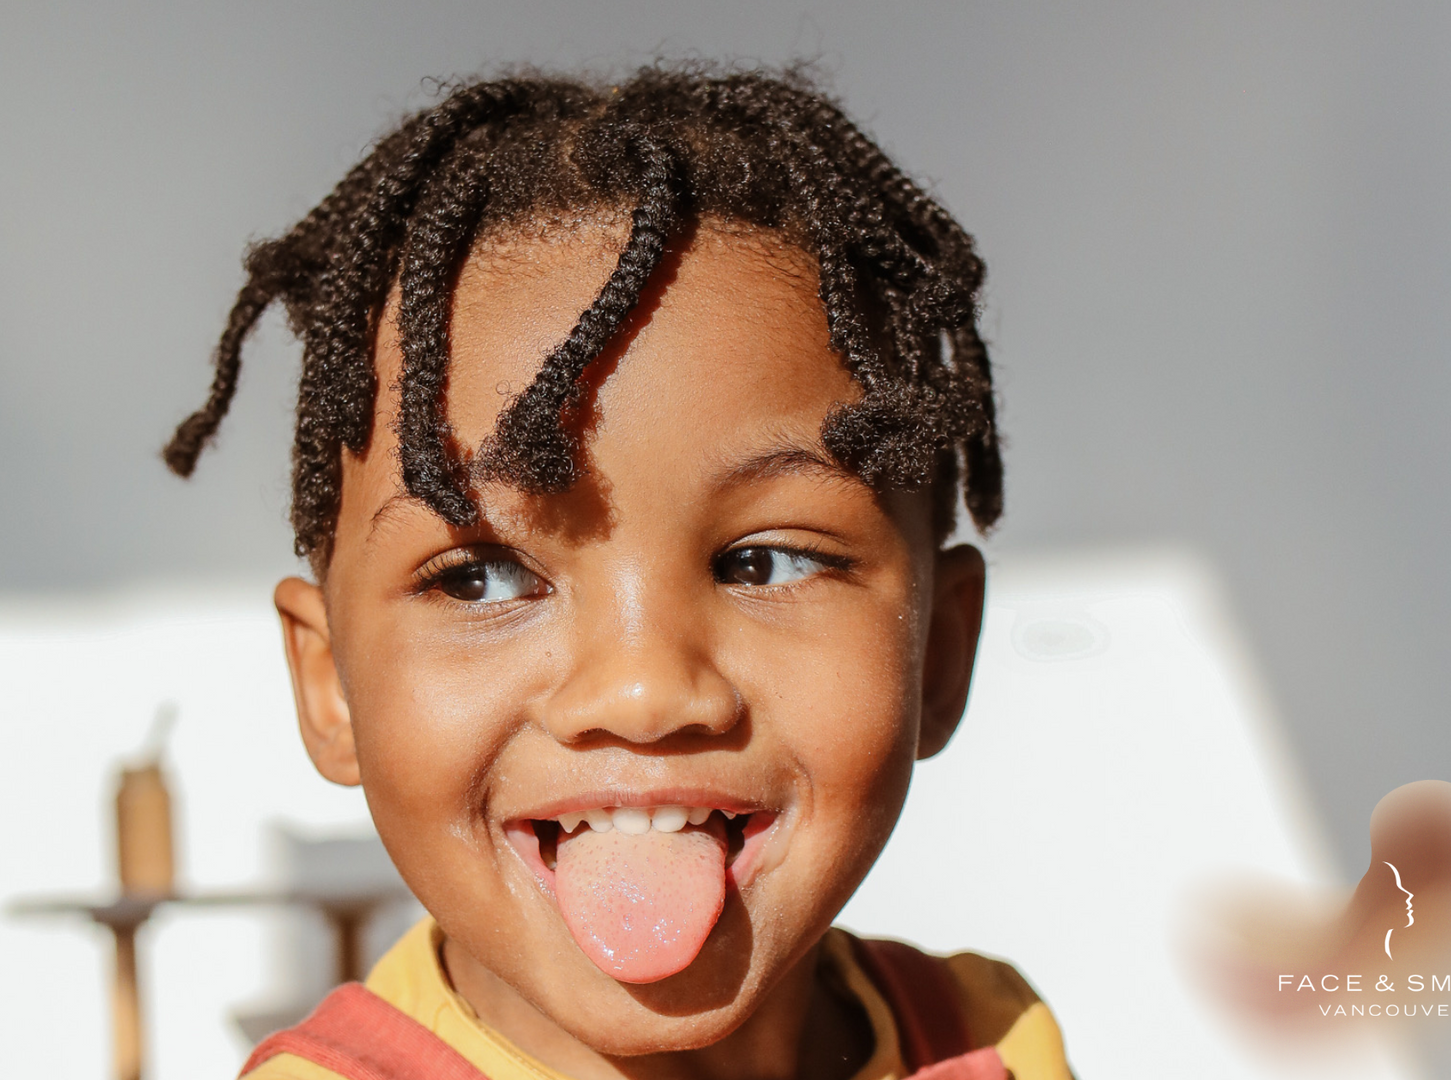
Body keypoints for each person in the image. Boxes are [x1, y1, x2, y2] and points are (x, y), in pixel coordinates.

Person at [165, 64, 1073, 1080]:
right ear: (331, 684)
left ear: (940, 654)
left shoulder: (986, 1035)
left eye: (764, 562)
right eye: (480, 579)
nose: (643, 692)